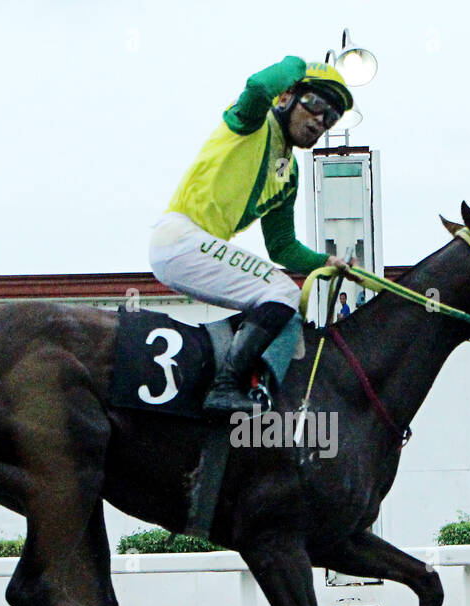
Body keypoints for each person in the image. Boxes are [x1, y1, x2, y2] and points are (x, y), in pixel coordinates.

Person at [150, 56, 355, 416]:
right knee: (283, 291)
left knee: (289, 313)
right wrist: (299, 64)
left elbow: (282, 246)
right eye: (315, 105)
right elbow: (259, 86)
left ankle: (260, 392)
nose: (321, 121)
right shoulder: (252, 121)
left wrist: (325, 262)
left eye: (332, 117)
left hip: (199, 247)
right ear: (286, 98)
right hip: (180, 239)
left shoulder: (288, 173)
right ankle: (224, 388)